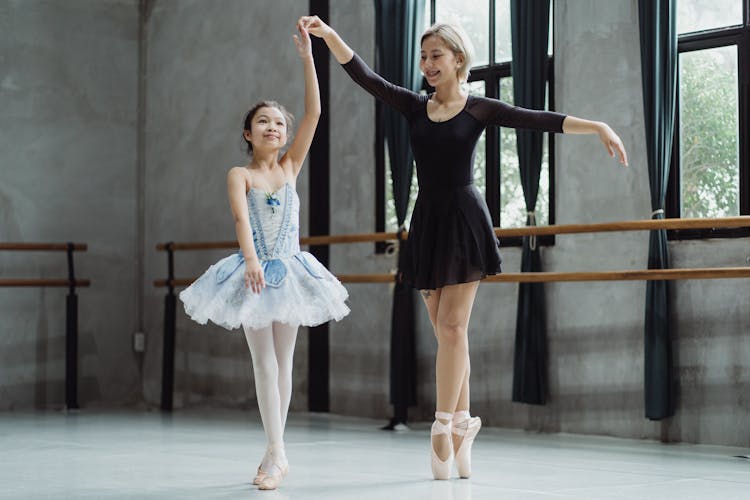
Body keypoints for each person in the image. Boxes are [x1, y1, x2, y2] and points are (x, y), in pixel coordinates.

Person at [297, 16, 628, 480]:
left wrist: (597, 126)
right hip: (428, 222)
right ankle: (465, 424)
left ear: (457, 60)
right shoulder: (414, 107)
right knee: (449, 335)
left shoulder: (479, 109)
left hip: (466, 220)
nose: (428, 64)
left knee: (452, 328)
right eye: (424, 56)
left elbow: (539, 119)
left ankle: (441, 424)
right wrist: (329, 36)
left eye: (437, 55)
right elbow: (365, 77)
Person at [178, 25, 349, 490]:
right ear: (248, 134)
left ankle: (276, 450)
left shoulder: (291, 166)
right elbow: (239, 220)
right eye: (264, 122)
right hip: (254, 271)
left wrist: (308, 59)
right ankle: (275, 452)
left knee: (286, 360)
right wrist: (252, 261)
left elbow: (315, 111)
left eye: (279, 123)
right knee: (263, 363)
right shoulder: (240, 174)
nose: (274, 127)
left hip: (292, 270)